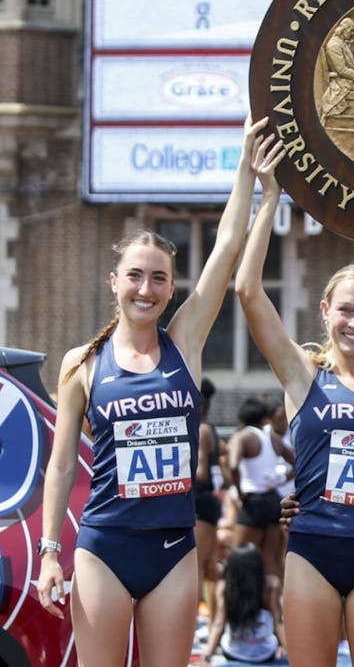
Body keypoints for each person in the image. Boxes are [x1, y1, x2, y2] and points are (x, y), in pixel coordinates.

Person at [35, 115, 284, 667]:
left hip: (173, 551)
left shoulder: (185, 344)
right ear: (115, 281)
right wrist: (51, 552)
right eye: (135, 276)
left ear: (172, 289)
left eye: (158, 279)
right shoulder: (83, 364)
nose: (145, 289)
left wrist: (247, 166)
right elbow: (60, 468)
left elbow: (225, 246)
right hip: (104, 547)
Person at [236, 154, 354, 667]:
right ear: (325, 311)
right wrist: (270, 197)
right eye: (346, 309)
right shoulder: (302, 372)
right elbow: (248, 291)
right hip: (313, 549)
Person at [228, 396, 294, 597]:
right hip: (272, 500)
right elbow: (297, 462)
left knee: (239, 558)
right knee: (271, 560)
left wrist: (239, 492)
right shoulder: (272, 437)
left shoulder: (242, 437)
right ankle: (274, 612)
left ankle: (240, 611)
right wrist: (280, 480)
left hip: (253, 501)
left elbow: (232, 465)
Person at [201, 542, 285, 664]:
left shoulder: (224, 588)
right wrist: (294, 658)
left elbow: (219, 623)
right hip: (265, 654)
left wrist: (207, 656)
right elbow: (279, 623)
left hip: (232, 653)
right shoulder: (271, 586)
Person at [195, 377, 226, 623]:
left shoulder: (200, 429)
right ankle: (213, 622)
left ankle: (193, 627)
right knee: (209, 568)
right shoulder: (212, 430)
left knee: (195, 568)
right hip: (210, 503)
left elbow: (201, 472)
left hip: (200, 502)